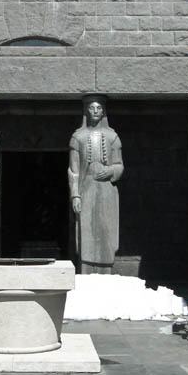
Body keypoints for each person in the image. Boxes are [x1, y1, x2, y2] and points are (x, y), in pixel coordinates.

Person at [68, 95, 124, 273]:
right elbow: (73, 170)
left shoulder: (112, 137)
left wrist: (110, 171)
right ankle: (86, 269)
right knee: (87, 230)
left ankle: (106, 269)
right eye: (91, 107)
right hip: (86, 188)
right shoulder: (78, 137)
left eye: (99, 108)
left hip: (107, 189)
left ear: (103, 111)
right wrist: (75, 195)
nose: (95, 111)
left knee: (106, 228)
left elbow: (120, 165)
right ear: (86, 110)